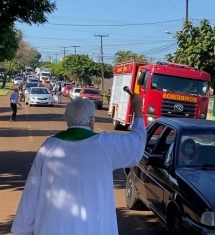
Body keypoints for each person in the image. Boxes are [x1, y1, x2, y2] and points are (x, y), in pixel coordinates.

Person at [11, 94, 146, 235]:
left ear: (68, 121)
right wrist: (137, 108)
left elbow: (32, 191)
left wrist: (24, 228)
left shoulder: (48, 147)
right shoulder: (106, 144)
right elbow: (137, 145)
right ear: (90, 120)